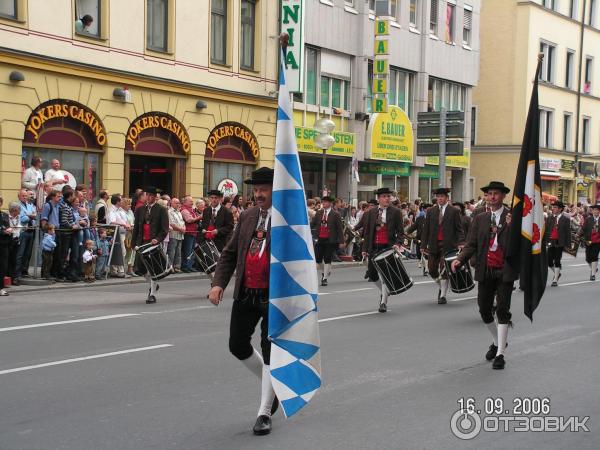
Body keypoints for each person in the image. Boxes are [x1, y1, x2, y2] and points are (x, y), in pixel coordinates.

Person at [208, 167, 279, 436]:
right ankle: (272, 388)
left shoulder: (288, 219)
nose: (258, 195)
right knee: (236, 344)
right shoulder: (248, 216)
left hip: (273, 296)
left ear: (276, 190)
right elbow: (229, 254)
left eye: (264, 190)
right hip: (246, 292)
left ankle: (264, 412)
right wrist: (218, 284)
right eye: (256, 190)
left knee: (270, 350)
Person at [451, 181, 516, 370]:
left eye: (496, 193)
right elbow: (471, 244)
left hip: (505, 269)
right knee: (484, 310)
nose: (493, 197)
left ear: (503, 196)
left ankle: (500, 355)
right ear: (486, 197)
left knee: (503, 309)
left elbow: (518, 243)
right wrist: (460, 259)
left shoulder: (512, 216)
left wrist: (512, 226)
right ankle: (498, 342)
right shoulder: (480, 218)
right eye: (489, 194)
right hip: (485, 268)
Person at [361, 187, 405, 313]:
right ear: (379, 198)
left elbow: (401, 233)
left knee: (385, 276)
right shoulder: (371, 212)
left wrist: (398, 244)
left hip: (388, 247)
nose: (387, 198)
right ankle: (385, 292)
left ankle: (383, 302)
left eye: (388, 196)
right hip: (374, 246)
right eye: (384, 196)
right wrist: (365, 249)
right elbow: (367, 232)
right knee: (372, 274)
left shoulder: (396, 212)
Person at [421, 187, 465, 305]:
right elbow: (426, 229)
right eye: (438, 197)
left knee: (444, 270)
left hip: (448, 245)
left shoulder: (454, 211)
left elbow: (459, 229)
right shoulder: (431, 211)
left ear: (447, 198)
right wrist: (423, 244)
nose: (439, 199)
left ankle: (443, 295)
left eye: (442, 197)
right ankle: (442, 286)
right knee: (431, 269)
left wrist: (461, 243)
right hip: (434, 244)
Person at [131, 187, 169, 304]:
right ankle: (153, 285)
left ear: (155, 197)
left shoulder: (161, 209)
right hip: (141, 242)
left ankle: (152, 294)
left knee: (153, 269)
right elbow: (137, 227)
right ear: (146, 196)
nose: (150, 198)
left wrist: (157, 239)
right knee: (139, 269)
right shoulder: (140, 209)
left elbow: (164, 229)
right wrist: (133, 243)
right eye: (148, 195)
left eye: (152, 196)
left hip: (154, 243)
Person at [311, 196, 344, 286]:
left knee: (327, 258)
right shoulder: (319, 213)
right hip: (320, 238)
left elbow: (339, 229)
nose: (323, 203)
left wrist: (342, 241)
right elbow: (313, 224)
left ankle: (325, 278)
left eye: (325, 202)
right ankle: (325, 271)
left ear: (330, 203)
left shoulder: (335, 214)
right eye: (323, 202)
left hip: (331, 239)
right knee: (317, 260)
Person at [544, 201, 571, 287]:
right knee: (548, 261)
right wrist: (545, 241)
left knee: (557, 260)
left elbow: (568, 232)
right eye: (553, 207)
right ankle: (557, 273)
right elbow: (546, 231)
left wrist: (568, 245)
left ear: (560, 209)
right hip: (551, 242)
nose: (553, 209)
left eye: (555, 207)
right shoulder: (549, 218)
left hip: (560, 243)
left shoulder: (565, 219)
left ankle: (555, 279)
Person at [58, 191, 81, 282]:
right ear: (70, 196)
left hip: (71, 233)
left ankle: (71, 273)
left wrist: (74, 225)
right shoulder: (64, 206)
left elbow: (69, 219)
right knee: (64, 255)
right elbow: (64, 221)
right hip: (66, 233)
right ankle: (62, 273)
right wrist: (72, 226)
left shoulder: (68, 206)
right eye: (73, 196)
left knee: (73, 254)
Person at [15, 189, 37, 283]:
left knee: (27, 253)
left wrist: (30, 215)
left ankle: (25, 271)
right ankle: (17, 273)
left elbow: (35, 216)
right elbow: (22, 218)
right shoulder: (17, 205)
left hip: (31, 230)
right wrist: (30, 216)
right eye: (22, 196)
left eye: (25, 195)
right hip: (23, 231)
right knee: (20, 253)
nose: (24, 197)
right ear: (19, 196)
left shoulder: (30, 205)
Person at [107, 194, 130, 278]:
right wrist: (123, 224)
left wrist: (127, 224)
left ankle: (115, 270)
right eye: (121, 200)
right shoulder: (111, 210)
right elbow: (111, 222)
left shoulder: (120, 210)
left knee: (121, 251)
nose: (122, 201)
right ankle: (119, 271)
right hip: (116, 233)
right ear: (117, 202)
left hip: (122, 232)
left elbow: (125, 219)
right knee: (120, 251)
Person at [180, 196, 202, 273]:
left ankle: (189, 266)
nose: (192, 203)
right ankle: (185, 266)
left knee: (192, 251)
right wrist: (199, 217)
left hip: (193, 233)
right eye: (190, 201)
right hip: (188, 233)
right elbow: (189, 220)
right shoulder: (184, 210)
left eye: (192, 201)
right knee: (187, 251)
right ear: (185, 202)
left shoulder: (191, 210)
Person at [578, 204, 600, 281]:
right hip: (589, 240)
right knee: (588, 258)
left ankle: (593, 274)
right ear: (592, 211)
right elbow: (583, 228)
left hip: (598, 241)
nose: (596, 211)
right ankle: (594, 269)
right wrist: (578, 235)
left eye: (597, 210)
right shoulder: (588, 219)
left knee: (594, 256)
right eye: (594, 210)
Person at [167, 198, 185, 272]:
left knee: (178, 252)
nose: (178, 204)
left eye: (178, 203)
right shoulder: (169, 212)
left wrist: (184, 227)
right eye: (176, 203)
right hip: (173, 234)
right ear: (172, 203)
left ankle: (177, 267)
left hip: (180, 234)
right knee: (172, 252)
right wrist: (181, 229)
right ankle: (170, 267)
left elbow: (182, 221)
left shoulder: (178, 212)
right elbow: (172, 223)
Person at [0, 195, 13, 296]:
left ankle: (1, 288)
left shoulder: (4, 215)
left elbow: (7, 226)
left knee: (3, 266)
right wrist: (3, 231)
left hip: (4, 244)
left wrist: (9, 230)